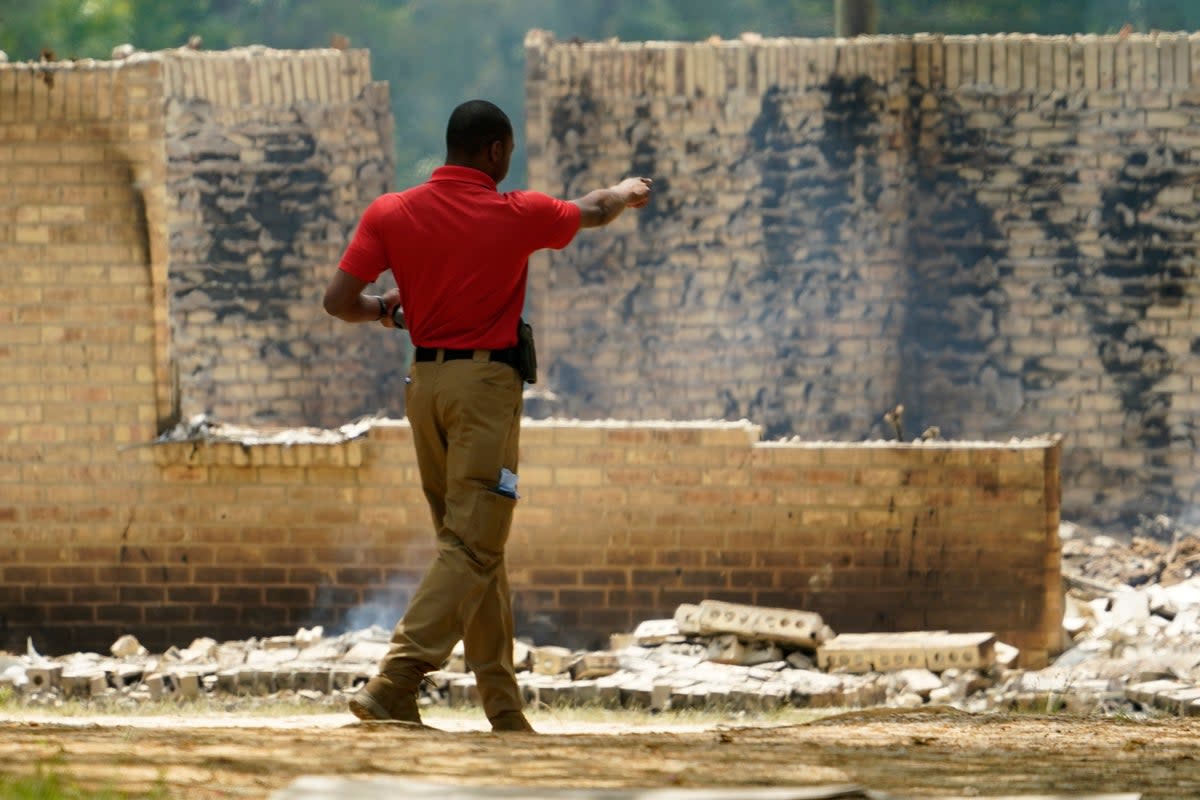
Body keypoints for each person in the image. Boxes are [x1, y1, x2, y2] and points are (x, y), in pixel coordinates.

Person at [322, 99, 652, 733]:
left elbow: (339, 302)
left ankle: (503, 709)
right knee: (474, 540)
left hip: (425, 386)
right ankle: (395, 682)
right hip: (484, 390)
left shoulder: (390, 211)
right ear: (496, 151)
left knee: (473, 542)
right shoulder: (516, 211)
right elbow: (594, 210)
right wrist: (623, 189)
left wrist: (388, 311)